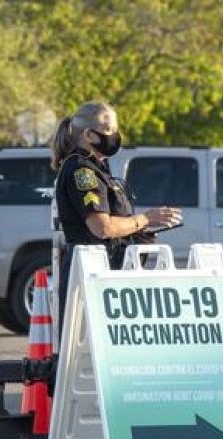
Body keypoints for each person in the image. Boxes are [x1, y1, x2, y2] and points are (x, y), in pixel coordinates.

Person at [52, 101, 181, 325]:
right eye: (109, 130)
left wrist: (140, 230)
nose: (116, 135)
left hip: (108, 272)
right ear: (89, 135)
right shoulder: (82, 171)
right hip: (90, 273)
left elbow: (116, 223)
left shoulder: (99, 169)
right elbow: (102, 227)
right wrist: (145, 218)